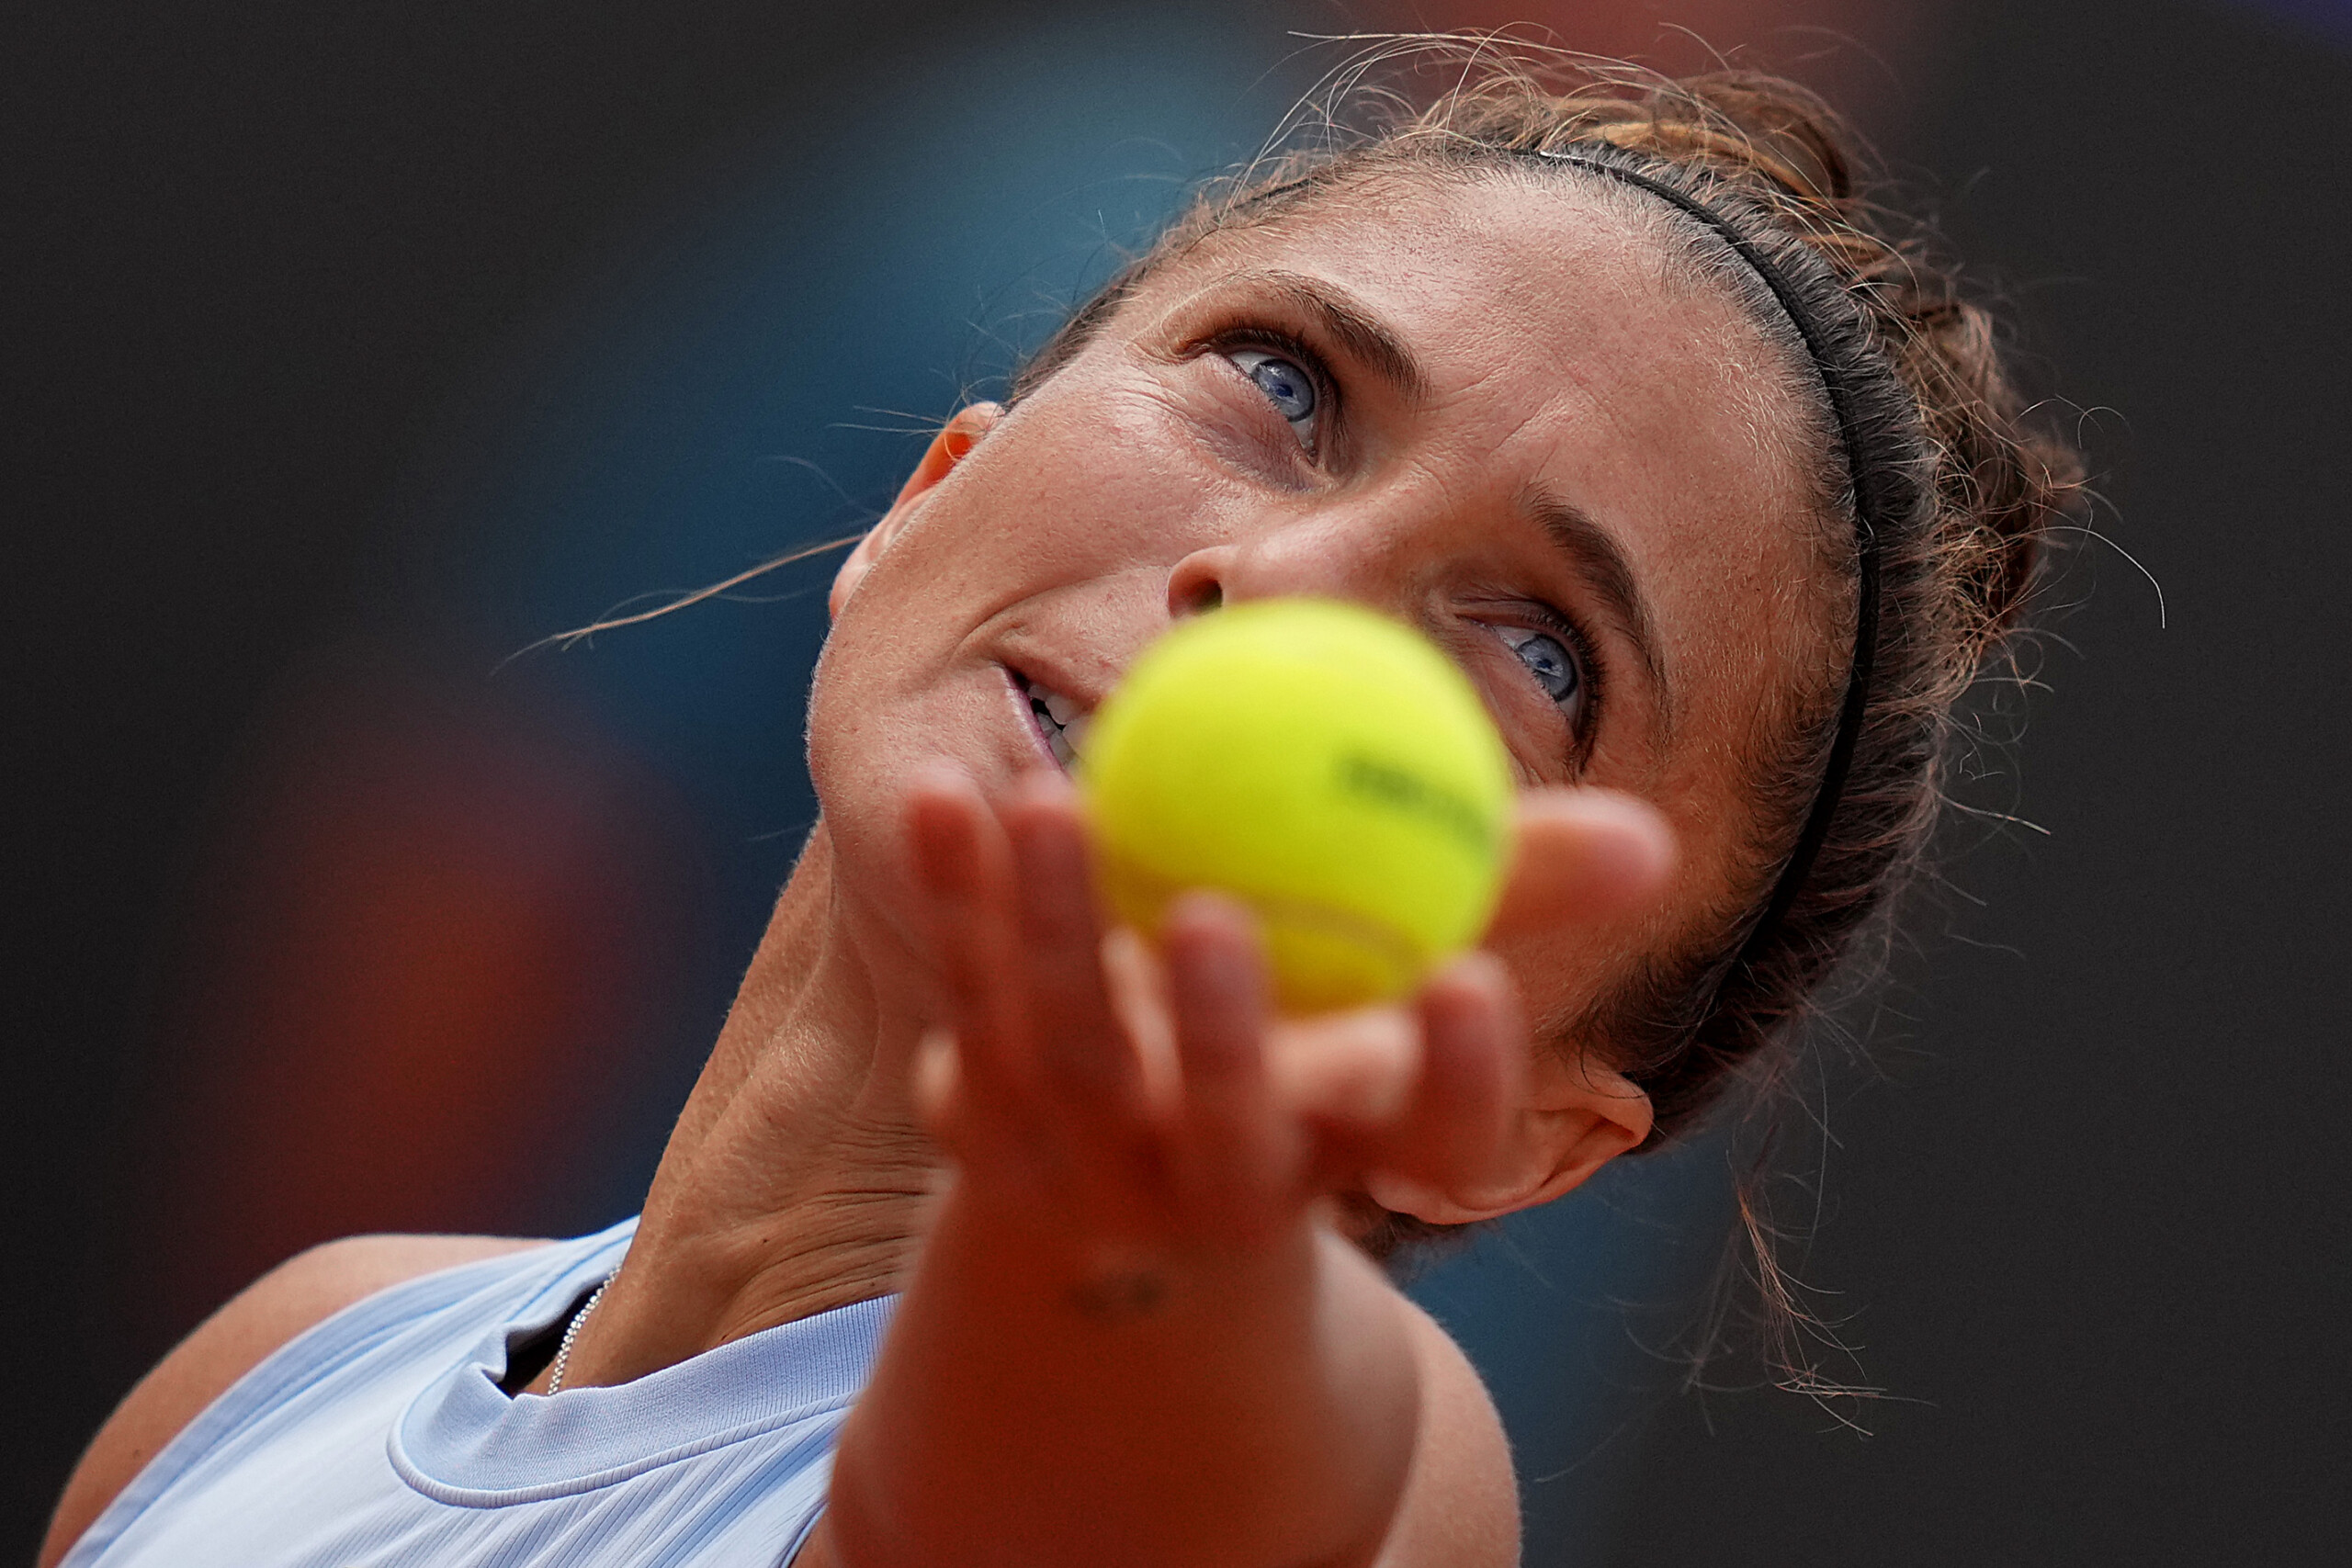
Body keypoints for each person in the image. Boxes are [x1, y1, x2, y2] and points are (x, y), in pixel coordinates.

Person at [41, 48, 2083, 1568]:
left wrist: (1119, 1246)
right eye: (1281, 386)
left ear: (1536, 1136)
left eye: (1543, 650)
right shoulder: (278, 1366)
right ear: (928, 496)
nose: (1281, 593)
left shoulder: (1386, 1484)